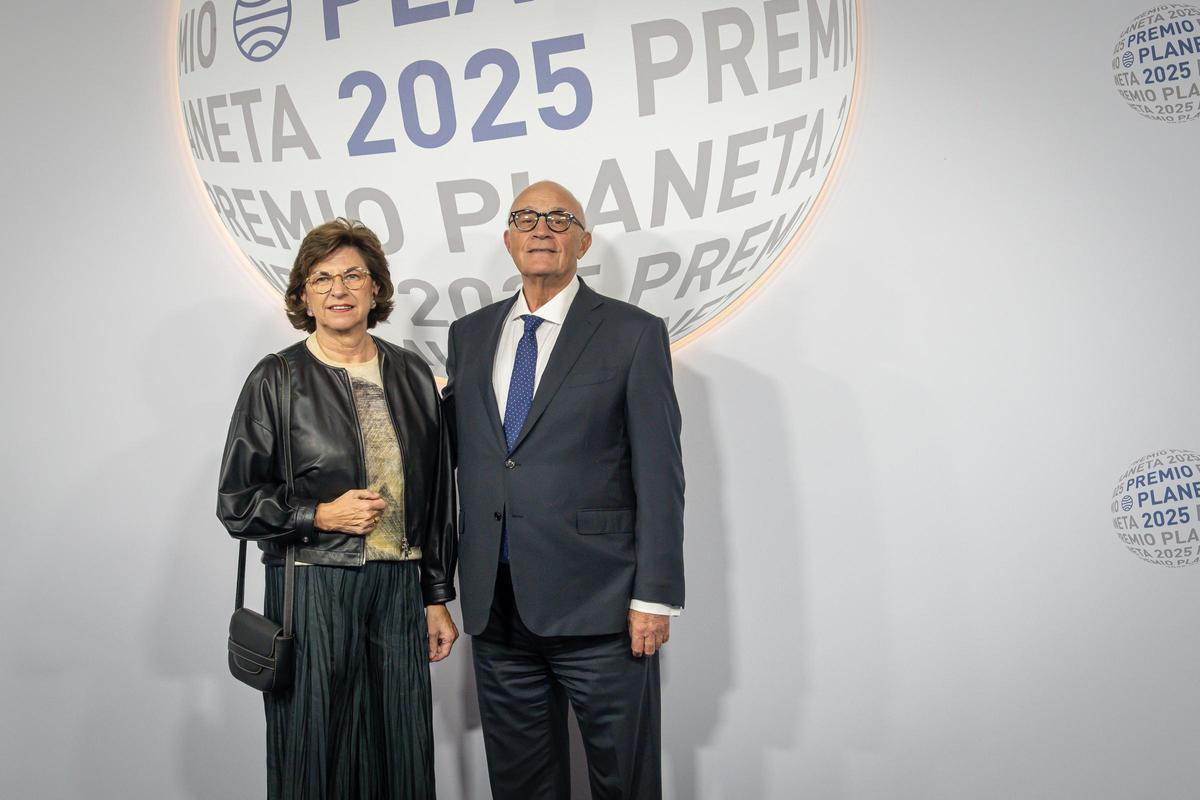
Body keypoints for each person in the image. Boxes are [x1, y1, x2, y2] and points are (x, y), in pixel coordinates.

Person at [443, 181, 685, 799]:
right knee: (520, 786)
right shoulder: (469, 335)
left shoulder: (632, 333)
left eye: (558, 218)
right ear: (507, 240)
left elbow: (660, 472)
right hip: (497, 611)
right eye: (526, 218)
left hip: (601, 609)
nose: (541, 228)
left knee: (624, 783)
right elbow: (465, 458)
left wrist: (654, 597)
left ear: (583, 239)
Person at [217, 218, 459, 799]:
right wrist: (318, 516)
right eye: (322, 278)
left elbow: (437, 498)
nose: (339, 289)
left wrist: (435, 596)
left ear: (376, 287)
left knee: (402, 752)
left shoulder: (412, 374)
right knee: (313, 751)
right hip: (313, 586)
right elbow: (236, 503)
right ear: (303, 295)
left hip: (399, 587)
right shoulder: (278, 377)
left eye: (353, 275)